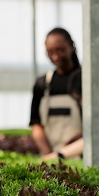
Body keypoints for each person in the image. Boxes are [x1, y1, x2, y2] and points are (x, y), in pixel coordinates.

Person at [29, 27, 82, 156]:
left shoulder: (86, 80)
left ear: (72, 47)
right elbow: (36, 124)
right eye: (50, 52)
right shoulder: (43, 84)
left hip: (81, 154)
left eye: (60, 50)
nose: (56, 56)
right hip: (51, 156)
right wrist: (49, 155)